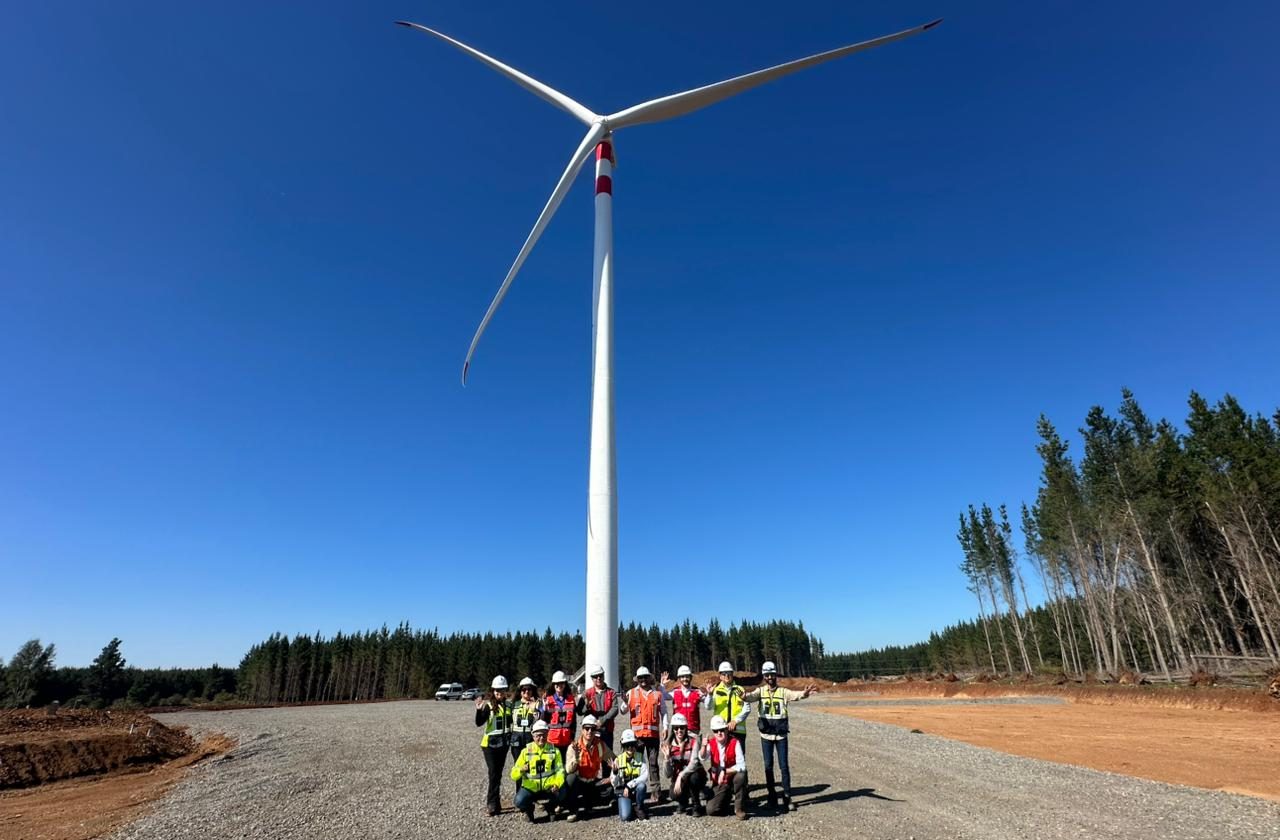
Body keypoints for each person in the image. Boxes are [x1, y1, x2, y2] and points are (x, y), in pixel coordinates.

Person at [743, 661, 819, 811]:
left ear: (776, 675)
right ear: (764, 677)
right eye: (767, 675)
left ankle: (787, 796)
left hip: (781, 736)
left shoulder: (783, 692)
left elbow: (795, 695)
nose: (770, 677)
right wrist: (743, 695)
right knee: (768, 767)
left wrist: (804, 694)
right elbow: (749, 697)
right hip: (766, 736)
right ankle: (772, 796)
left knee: (784, 767)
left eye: (772, 674)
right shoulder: (760, 692)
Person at [511, 719, 567, 822]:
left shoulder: (555, 751)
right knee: (519, 801)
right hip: (531, 789)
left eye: (544, 735)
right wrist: (521, 770)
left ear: (547, 735)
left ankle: (550, 807)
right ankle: (529, 810)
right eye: (538, 736)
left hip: (549, 787)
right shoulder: (525, 752)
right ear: (533, 736)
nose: (541, 738)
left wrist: (557, 784)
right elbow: (513, 774)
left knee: (563, 791)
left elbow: (560, 771)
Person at [625, 666, 666, 804]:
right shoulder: (631, 693)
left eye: (645, 677)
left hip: (653, 735)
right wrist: (624, 704)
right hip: (637, 737)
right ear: (637, 679)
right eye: (640, 678)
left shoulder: (657, 694)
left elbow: (664, 712)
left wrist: (665, 727)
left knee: (653, 764)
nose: (643, 680)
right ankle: (635, 792)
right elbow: (623, 711)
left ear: (649, 678)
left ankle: (656, 793)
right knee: (636, 764)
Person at [563, 714, 615, 822]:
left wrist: (616, 770)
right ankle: (573, 810)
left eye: (592, 729)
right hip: (579, 782)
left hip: (593, 782)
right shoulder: (574, 747)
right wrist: (576, 759)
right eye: (587, 728)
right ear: (582, 730)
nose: (589, 731)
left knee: (611, 784)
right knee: (570, 779)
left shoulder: (600, 745)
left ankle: (589, 804)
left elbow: (614, 759)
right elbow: (568, 770)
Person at [475, 675, 512, 816]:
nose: (499, 693)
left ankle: (496, 804)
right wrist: (479, 710)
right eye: (497, 691)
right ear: (493, 690)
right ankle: (491, 803)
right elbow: (479, 723)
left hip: (503, 745)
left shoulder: (508, 706)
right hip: (489, 746)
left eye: (502, 691)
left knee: (498, 774)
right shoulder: (489, 706)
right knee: (493, 773)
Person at [701, 715, 747, 820]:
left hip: (732, 778)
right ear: (713, 732)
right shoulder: (711, 743)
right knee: (710, 810)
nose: (719, 733)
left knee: (741, 776)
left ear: (726, 729)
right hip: (720, 782)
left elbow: (742, 765)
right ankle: (725, 799)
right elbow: (702, 757)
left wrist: (725, 771)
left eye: (721, 730)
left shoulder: (735, 742)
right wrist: (703, 746)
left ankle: (739, 808)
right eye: (716, 731)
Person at [662, 712, 706, 816]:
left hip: (694, 775)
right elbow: (668, 775)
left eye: (682, 727)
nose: (679, 731)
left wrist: (681, 776)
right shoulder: (669, 746)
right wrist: (667, 759)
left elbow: (694, 763)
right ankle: (683, 802)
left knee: (693, 778)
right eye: (676, 728)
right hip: (680, 778)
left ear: (686, 728)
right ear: (673, 729)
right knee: (673, 794)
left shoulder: (693, 742)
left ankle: (696, 805)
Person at [703, 661, 750, 751]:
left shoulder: (740, 689)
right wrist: (709, 695)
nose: (727, 676)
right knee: (721, 760)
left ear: (732, 674)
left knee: (739, 761)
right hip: (721, 731)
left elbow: (747, 708)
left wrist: (735, 721)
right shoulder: (715, 690)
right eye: (724, 674)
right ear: (720, 676)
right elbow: (708, 707)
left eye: (729, 673)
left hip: (738, 731)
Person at [509, 677, 543, 796]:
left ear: (533, 690)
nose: (526, 692)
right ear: (520, 691)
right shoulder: (514, 704)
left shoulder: (538, 703)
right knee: (519, 768)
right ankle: (520, 794)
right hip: (517, 742)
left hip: (530, 740)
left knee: (532, 768)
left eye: (529, 689)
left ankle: (533, 794)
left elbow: (542, 719)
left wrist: (536, 708)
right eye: (523, 690)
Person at [577, 664, 623, 749]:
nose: (598, 678)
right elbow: (579, 711)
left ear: (604, 676)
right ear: (592, 678)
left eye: (600, 675)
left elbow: (615, 709)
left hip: (607, 731)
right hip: (590, 733)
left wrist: (602, 720)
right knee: (592, 757)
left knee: (607, 757)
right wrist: (586, 706)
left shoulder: (611, 692)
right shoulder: (587, 693)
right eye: (595, 676)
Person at [610, 728, 649, 821]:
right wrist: (615, 773)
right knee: (625, 817)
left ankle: (639, 807)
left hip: (634, 789)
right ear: (623, 746)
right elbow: (614, 784)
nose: (630, 748)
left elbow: (645, 776)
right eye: (627, 745)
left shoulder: (640, 757)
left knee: (642, 786)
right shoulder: (618, 760)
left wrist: (629, 785)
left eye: (632, 744)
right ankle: (624, 804)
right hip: (624, 793)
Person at [542, 669, 577, 762]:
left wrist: (572, 738)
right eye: (557, 683)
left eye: (561, 683)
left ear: (565, 684)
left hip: (566, 740)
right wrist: (544, 709)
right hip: (552, 741)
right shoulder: (548, 700)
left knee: (565, 766)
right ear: (553, 685)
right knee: (553, 765)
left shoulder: (571, 699)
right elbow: (543, 721)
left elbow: (574, 722)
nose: (559, 686)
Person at [667, 665, 704, 736]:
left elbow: (709, 705)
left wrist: (709, 695)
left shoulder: (697, 692)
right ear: (679, 678)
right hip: (678, 730)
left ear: (691, 677)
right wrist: (662, 686)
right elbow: (662, 697)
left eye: (687, 676)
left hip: (694, 730)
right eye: (682, 677)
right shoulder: (674, 692)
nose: (685, 679)